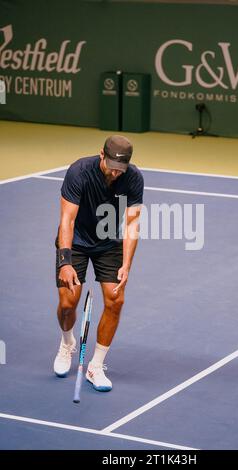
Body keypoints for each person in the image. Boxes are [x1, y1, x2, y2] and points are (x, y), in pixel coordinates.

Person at [53, 135, 144, 392]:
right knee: (68, 302)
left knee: (116, 300)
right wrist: (65, 261)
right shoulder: (79, 171)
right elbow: (67, 220)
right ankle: (67, 342)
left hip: (108, 243)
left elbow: (132, 224)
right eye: (112, 167)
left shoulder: (133, 178)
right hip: (76, 242)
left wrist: (127, 264)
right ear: (101, 155)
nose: (116, 173)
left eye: (121, 169)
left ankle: (95, 366)